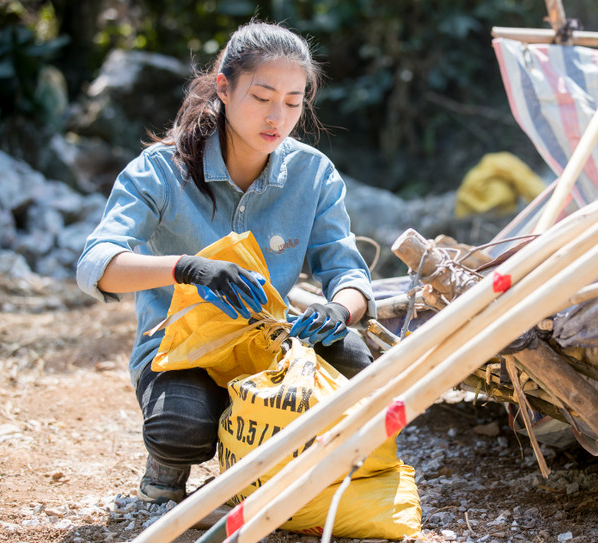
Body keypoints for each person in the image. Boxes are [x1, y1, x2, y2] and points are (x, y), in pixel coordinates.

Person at [77, 20, 375, 504]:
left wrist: (338, 309)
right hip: (180, 351)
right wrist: (187, 268)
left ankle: (288, 470)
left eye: (293, 102)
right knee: (180, 427)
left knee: (354, 358)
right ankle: (169, 462)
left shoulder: (313, 173)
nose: (277, 117)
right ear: (223, 88)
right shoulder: (160, 170)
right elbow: (96, 265)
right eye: (261, 97)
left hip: (269, 344)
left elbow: (348, 272)